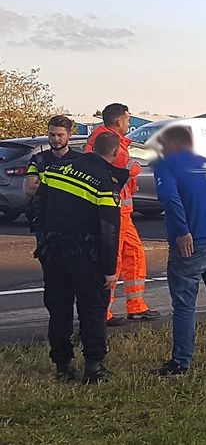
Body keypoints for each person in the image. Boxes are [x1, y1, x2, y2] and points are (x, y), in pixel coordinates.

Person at [35, 130, 123, 383]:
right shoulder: (105, 181)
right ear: (116, 153)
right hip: (86, 255)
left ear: (90, 148)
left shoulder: (56, 169)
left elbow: (36, 210)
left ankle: (63, 365)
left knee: (59, 309)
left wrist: (44, 245)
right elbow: (108, 230)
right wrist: (109, 269)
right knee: (92, 310)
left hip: (53, 251)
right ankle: (94, 367)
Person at [154, 125, 206, 375]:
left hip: (191, 244)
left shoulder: (168, 165)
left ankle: (182, 360)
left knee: (184, 304)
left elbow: (170, 199)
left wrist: (182, 231)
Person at [86, 103, 159, 325]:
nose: (129, 124)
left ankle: (135, 305)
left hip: (121, 211)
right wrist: (134, 168)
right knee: (113, 260)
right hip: (115, 210)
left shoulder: (103, 138)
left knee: (132, 255)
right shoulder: (109, 142)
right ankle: (104, 311)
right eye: (128, 120)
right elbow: (126, 166)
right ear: (118, 121)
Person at [24, 115, 83, 232]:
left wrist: (45, 185)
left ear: (69, 136)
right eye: (52, 135)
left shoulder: (80, 160)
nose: (55, 139)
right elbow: (29, 189)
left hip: (73, 223)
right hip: (45, 223)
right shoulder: (39, 159)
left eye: (60, 135)